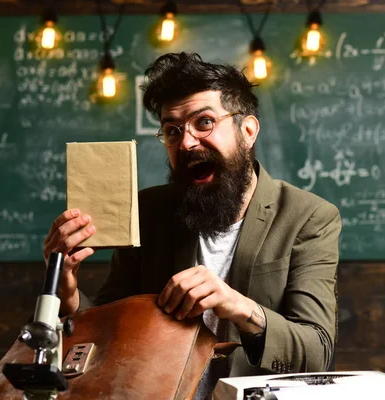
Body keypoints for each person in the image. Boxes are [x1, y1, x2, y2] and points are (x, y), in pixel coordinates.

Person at [43, 52, 341, 398]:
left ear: (247, 131)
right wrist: (65, 294)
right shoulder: (148, 211)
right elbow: (106, 330)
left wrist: (237, 304)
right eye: (172, 131)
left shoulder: (309, 216)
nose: (186, 143)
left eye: (204, 123)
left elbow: (316, 351)